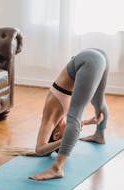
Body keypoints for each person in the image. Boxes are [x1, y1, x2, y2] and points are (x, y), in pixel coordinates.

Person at [29, 48, 109, 181]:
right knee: (98, 101)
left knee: (74, 117)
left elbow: (40, 149)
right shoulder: (59, 120)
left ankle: (56, 168)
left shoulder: (49, 119)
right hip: (97, 55)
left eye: (63, 136)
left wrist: (64, 141)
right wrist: (89, 122)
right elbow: (74, 124)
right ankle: (100, 135)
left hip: (88, 60)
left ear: (56, 135)